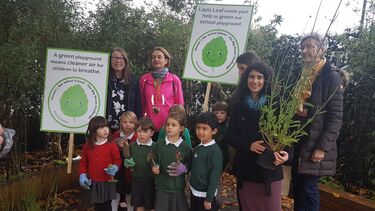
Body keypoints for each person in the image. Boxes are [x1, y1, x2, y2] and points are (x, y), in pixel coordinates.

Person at [227, 62, 291, 211]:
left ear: (266, 79)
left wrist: (287, 156)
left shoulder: (276, 104)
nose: (255, 81)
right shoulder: (239, 104)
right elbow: (230, 135)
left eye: (259, 77)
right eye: (251, 77)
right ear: (246, 79)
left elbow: (286, 137)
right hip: (246, 169)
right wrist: (249, 145)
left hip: (269, 170)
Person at [291, 33, 344, 211]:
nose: (305, 50)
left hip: (315, 142)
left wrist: (322, 147)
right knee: (297, 186)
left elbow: (335, 116)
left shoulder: (331, 76)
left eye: (310, 46)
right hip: (299, 138)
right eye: (303, 47)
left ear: (322, 49)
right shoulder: (303, 75)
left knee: (308, 189)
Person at [140, 47, 184, 141]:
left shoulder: (174, 80)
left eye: (159, 57)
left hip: (168, 127)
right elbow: (142, 103)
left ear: (166, 60)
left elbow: (179, 105)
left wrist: (178, 124)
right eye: (153, 57)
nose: (156, 59)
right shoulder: (144, 80)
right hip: (149, 128)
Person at [79, 116, 122, 211]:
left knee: (107, 205)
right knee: (97, 206)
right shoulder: (87, 146)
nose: (106, 129)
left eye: (106, 126)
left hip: (108, 181)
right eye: (101, 127)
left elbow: (117, 160)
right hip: (94, 181)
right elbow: (83, 162)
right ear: (94, 130)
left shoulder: (112, 145)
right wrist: (82, 175)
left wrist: (115, 167)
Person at [152, 112, 192, 211]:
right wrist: (154, 166)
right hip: (161, 185)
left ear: (181, 128)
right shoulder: (159, 144)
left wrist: (183, 168)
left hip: (177, 186)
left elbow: (190, 163)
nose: (169, 127)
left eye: (173, 125)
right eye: (168, 125)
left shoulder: (185, 147)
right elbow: (153, 158)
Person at [190, 112, 223, 211]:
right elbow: (193, 167)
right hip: (194, 191)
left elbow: (214, 177)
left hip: (206, 196)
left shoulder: (215, 152)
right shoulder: (197, 148)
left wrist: (209, 199)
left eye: (205, 128)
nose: (200, 131)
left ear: (214, 131)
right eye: (198, 127)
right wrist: (182, 168)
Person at [124, 117, 156, 211]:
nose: (141, 134)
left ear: (152, 133)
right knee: (139, 206)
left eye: (145, 131)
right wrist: (127, 164)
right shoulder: (132, 146)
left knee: (151, 206)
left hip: (151, 182)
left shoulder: (155, 146)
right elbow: (128, 160)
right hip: (136, 182)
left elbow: (158, 162)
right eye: (139, 131)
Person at [107, 47, 141, 131]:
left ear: (125, 61)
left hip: (127, 128)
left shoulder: (133, 81)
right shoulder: (104, 79)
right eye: (114, 57)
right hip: (106, 127)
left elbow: (138, 104)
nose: (117, 61)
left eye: (121, 58)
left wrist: (137, 124)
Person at [111, 111, 138, 211]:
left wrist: (128, 148)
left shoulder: (137, 137)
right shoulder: (116, 135)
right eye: (125, 122)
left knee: (129, 192)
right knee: (115, 191)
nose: (127, 124)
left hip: (130, 170)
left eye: (131, 122)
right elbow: (109, 150)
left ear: (135, 124)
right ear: (120, 122)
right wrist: (114, 144)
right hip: (117, 169)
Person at [212, 101, 230, 171]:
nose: (219, 115)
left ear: (227, 114)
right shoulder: (211, 126)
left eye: (222, 113)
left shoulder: (228, 127)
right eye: (216, 113)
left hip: (224, 155)